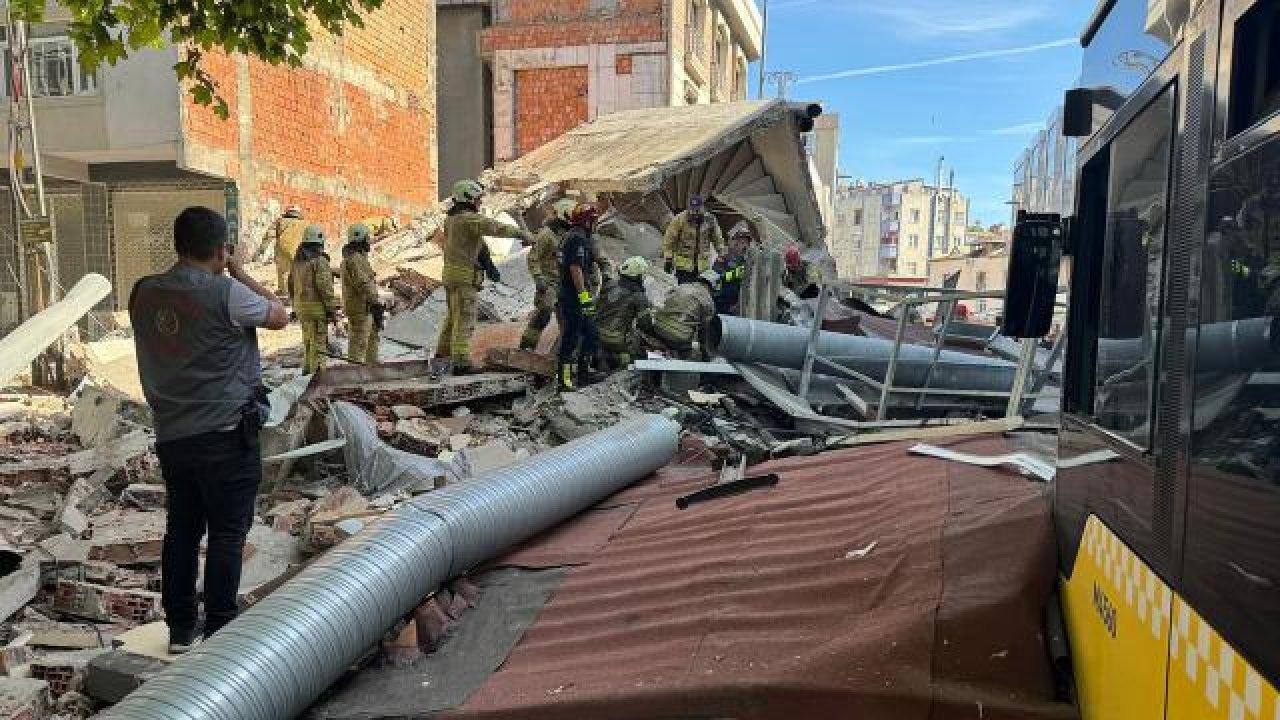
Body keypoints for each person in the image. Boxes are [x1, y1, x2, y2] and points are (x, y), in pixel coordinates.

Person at [128, 206, 288, 653]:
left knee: (181, 530)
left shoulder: (143, 293)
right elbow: (280, 315)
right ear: (221, 250)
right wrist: (238, 270)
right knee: (226, 532)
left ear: (178, 245)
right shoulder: (227, 293)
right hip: (225, 432)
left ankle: (180, 629)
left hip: (173, 436)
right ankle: (220, 631)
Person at [438, 179, 533, 373]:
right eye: (477, 199)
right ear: (468, 198)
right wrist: (522, 234)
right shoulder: (468, 219)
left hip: (451, 276)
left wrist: (488, 265)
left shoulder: (452, 219)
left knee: (451, 320)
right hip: (465, 278)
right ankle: (461, 363)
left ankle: (442, 357)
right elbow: (494, 227)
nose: (479, 203)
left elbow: (477, 244)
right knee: (465, 320)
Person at [557, 202, 605, 391]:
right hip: (573, 298)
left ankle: (584, 374)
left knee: (591, 334)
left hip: (573, 295)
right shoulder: (577, 240)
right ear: (587, 222)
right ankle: (565, 380)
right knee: (571, 338)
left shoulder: (570, 237)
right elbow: (575, 269)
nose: (595, 225)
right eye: (594, 221)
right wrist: (584, 297)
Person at [520, 198, 576, 351]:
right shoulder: (546, 235)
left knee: (567, 321)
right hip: (549, 282)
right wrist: (538, 278)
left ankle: (560, 353)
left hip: (564, 284)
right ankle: (527, 347)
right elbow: (533, 257)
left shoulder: (568, 234)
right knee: (543, 313)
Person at [635, 270, 719, 361]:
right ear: (713, 286)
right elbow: (704, 331)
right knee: (686, 356)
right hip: (679, 338)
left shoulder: (682, 286)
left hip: (658, 328)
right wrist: (706, 354)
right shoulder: (708, 302)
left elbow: (666, 301)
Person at [291, 225, 338, 375]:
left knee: (308, 344)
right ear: (320, 243)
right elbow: (325, 288)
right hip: (316, 310)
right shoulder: (319, 261)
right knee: (318, 348)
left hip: (301, 309)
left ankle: (306, 375)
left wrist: (295, 306)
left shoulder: (297, 262)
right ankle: (317, 381)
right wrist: (331, 309)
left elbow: (290, 286)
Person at [595, 256, 651, 371]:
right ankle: (619, 361)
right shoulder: (639, 296)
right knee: (640, 347)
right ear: (639, 276)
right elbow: (645, 325)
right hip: (616, 340)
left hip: (595, 334)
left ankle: (600, 357)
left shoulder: (608, 284)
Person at [341, 222, 381, 365]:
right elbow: (363, 283)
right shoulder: (355, 259)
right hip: (360, 307)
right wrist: (375, 301)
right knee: (359, 344)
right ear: (360, 238)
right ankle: (354, 375)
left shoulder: (357, 257)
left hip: (363, 306)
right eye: (367, 237)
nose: (369, 240)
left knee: (371, 340)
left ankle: (372, 371)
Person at [662, 195, 725, 283]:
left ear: (702, 208)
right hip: (683, 267)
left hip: (703, 267)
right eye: (693, 210)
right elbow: (669, 240)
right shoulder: (680, 219)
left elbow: (717, 238)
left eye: (697, 210)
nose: (695, 214)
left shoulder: (710, 220)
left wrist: (721, 253)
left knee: (701, 290)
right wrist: (668, 258)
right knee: (684, 290)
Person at [713, 224, 755, 315]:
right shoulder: (723, 258)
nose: (745, 246)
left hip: (738, 304)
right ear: (734, 243)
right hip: (721, 301)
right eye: (742, 242)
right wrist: (736, 273)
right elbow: (718, 277)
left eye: (746, 243)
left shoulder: (746, 261)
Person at [270, 205, 307, 299]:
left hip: (282, 247)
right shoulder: (304, 224)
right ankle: (296, 291)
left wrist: (262, 250)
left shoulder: (280, 221)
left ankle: (283, 291)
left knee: (282, 271)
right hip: (297, 249)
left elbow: (271, 234)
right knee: (297, 271)